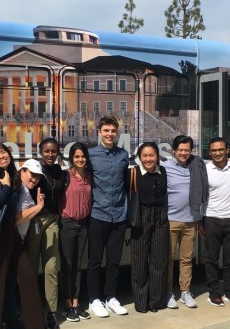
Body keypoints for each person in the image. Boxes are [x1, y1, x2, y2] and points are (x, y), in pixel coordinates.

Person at [0, 143, 59, 329]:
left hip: (10, 234)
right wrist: (5, 187)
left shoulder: (13, 177)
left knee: (28, 275)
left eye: (3, 151)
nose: (0, 155)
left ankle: (37, 328)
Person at [87, 115, 130, 318]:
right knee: (95, 260)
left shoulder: (123, 155)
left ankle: (110, 297)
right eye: (106, 131)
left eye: (113, 131)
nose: (110, 134)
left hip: (119, 215)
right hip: (97, 214)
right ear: (99, 132)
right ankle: (94, 299)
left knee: (114, 260)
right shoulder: (90, 155)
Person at [162, 135, 208, 310]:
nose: (183, 153)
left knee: (187, 259)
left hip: (191, 220)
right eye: (180, 150)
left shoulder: (197, 165)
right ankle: (167, 292)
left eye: (187, 150)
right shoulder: (165, 167)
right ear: (174, 150)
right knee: (168, 259)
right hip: (171, 220)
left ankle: (185, 291)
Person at [25, 138, 65, 329]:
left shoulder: (59, 172)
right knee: (31, 268)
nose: (50, 154)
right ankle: (32, 312)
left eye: (54, 151)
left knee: (51, 267)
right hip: (34, 221)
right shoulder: (35, 171)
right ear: (41, 152)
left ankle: (51, 312)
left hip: (52, 221)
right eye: (47, 151)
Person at [202, 137, 230, 307]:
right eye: (214, 150)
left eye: (221, 149)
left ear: (227, 150)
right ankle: (213, 292)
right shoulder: (205, 169)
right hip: (211, 218)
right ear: (209, 152)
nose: (217, 153)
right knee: (211, 258)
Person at [129, 142, 169, 313]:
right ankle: (141, 302)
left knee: (159, 260)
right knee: (139, 261)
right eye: (144, 156)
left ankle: (156, 301)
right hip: (141, 216)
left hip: (160, 216)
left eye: (151, 155)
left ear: (157, 156)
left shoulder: (163, 171)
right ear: (139, 157)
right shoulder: (134, 172)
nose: (148, 159)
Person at [58, 142, 93, 322]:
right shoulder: (65, 176)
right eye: (76, 156)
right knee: (67, 265)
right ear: (71, 158)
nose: (80, 159)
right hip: (67, 223)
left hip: (83, 224)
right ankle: (66, 304)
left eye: (82, 156)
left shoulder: (88, 176)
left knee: (78, 265)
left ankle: (76, 302)